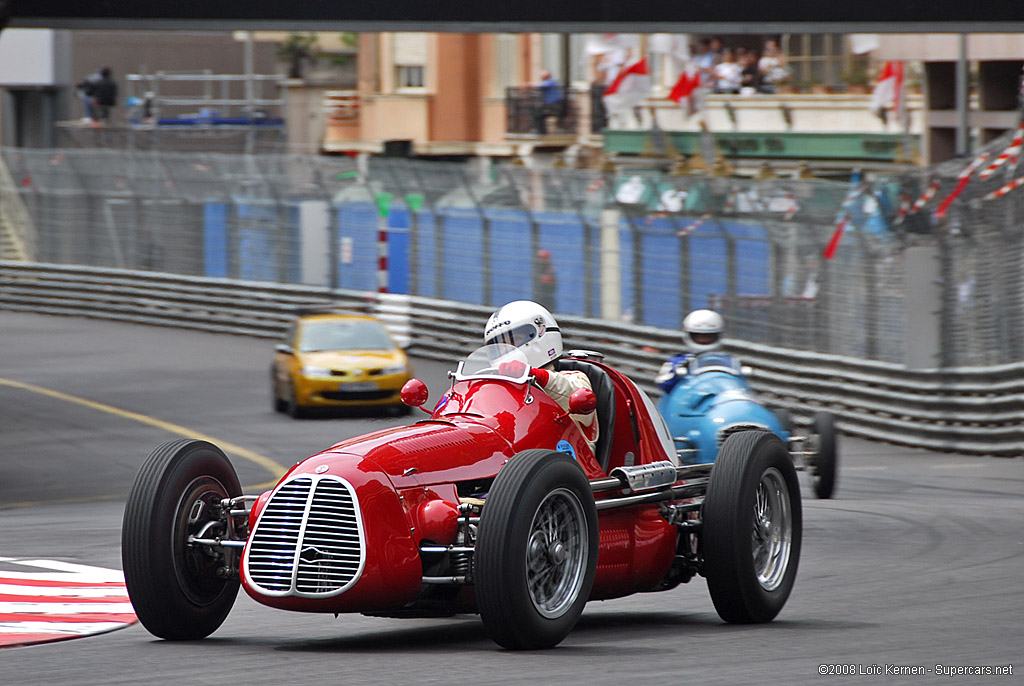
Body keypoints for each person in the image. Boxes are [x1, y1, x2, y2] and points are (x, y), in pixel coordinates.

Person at [484, 300, 599, 451]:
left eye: (515, 340)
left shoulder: (575, 377)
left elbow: (570, 390)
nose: (506, 350)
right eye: (500, 346)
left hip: (568, 466)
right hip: (515, 463)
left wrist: (534, 374)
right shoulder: (503, 392)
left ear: (541, 332)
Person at [654, 308, 725, 393]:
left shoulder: (726, 361)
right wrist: (676, 374)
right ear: (689, 335)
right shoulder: (679, 361)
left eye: (708, 337)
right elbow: (662, 382)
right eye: (698, 336)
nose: (703, 340)